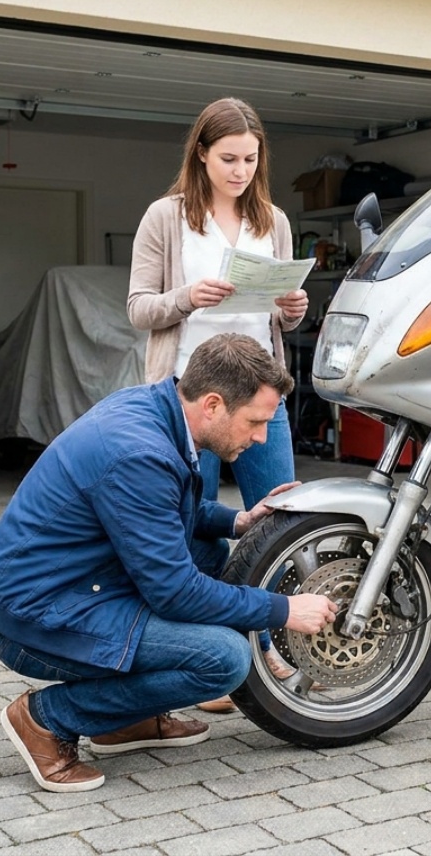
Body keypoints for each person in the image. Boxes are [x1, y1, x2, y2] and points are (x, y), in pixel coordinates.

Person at [0, 333, 338, 793]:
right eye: (255, 422)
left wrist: (239, 520)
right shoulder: (139, 454)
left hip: (73, 584)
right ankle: (47, 719)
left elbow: (166, 509)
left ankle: (123, 721)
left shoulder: (157, 410)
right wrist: (283, 609)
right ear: (212, 405)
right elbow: (175, 591)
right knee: (225, 660)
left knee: (209, 550)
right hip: (34, 618)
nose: (260, 437)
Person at [127, 97, 309, 708]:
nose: (240, 171)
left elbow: (282, 305)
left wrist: (291, 307)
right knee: (191, 529)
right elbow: (137, 308)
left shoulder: (273, 220)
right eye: (228, 158)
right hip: (192, 397)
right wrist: (185, 296)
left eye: (251, 160)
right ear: (200, 154)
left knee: (280, 521)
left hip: (259, 391)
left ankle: (273, 650)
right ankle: (204, 657)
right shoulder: (166, 216)